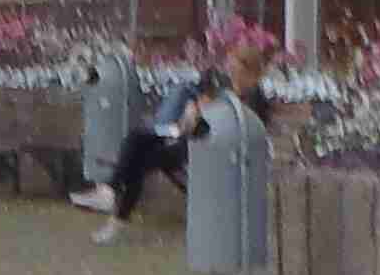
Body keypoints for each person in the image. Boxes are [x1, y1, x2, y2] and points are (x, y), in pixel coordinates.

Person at [76, 35, 266, 245]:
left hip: (209, 147)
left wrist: (203, 114)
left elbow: (241, 129)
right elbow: (200, 103)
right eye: (230, 63)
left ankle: (114, 211)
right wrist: (193, 108)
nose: (229, 68)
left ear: (248, 70)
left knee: (139, 158)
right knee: (137, 138)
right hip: (185, 134)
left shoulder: (254, 97)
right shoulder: (223, 86)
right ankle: (110, 193)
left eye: (234, 64)